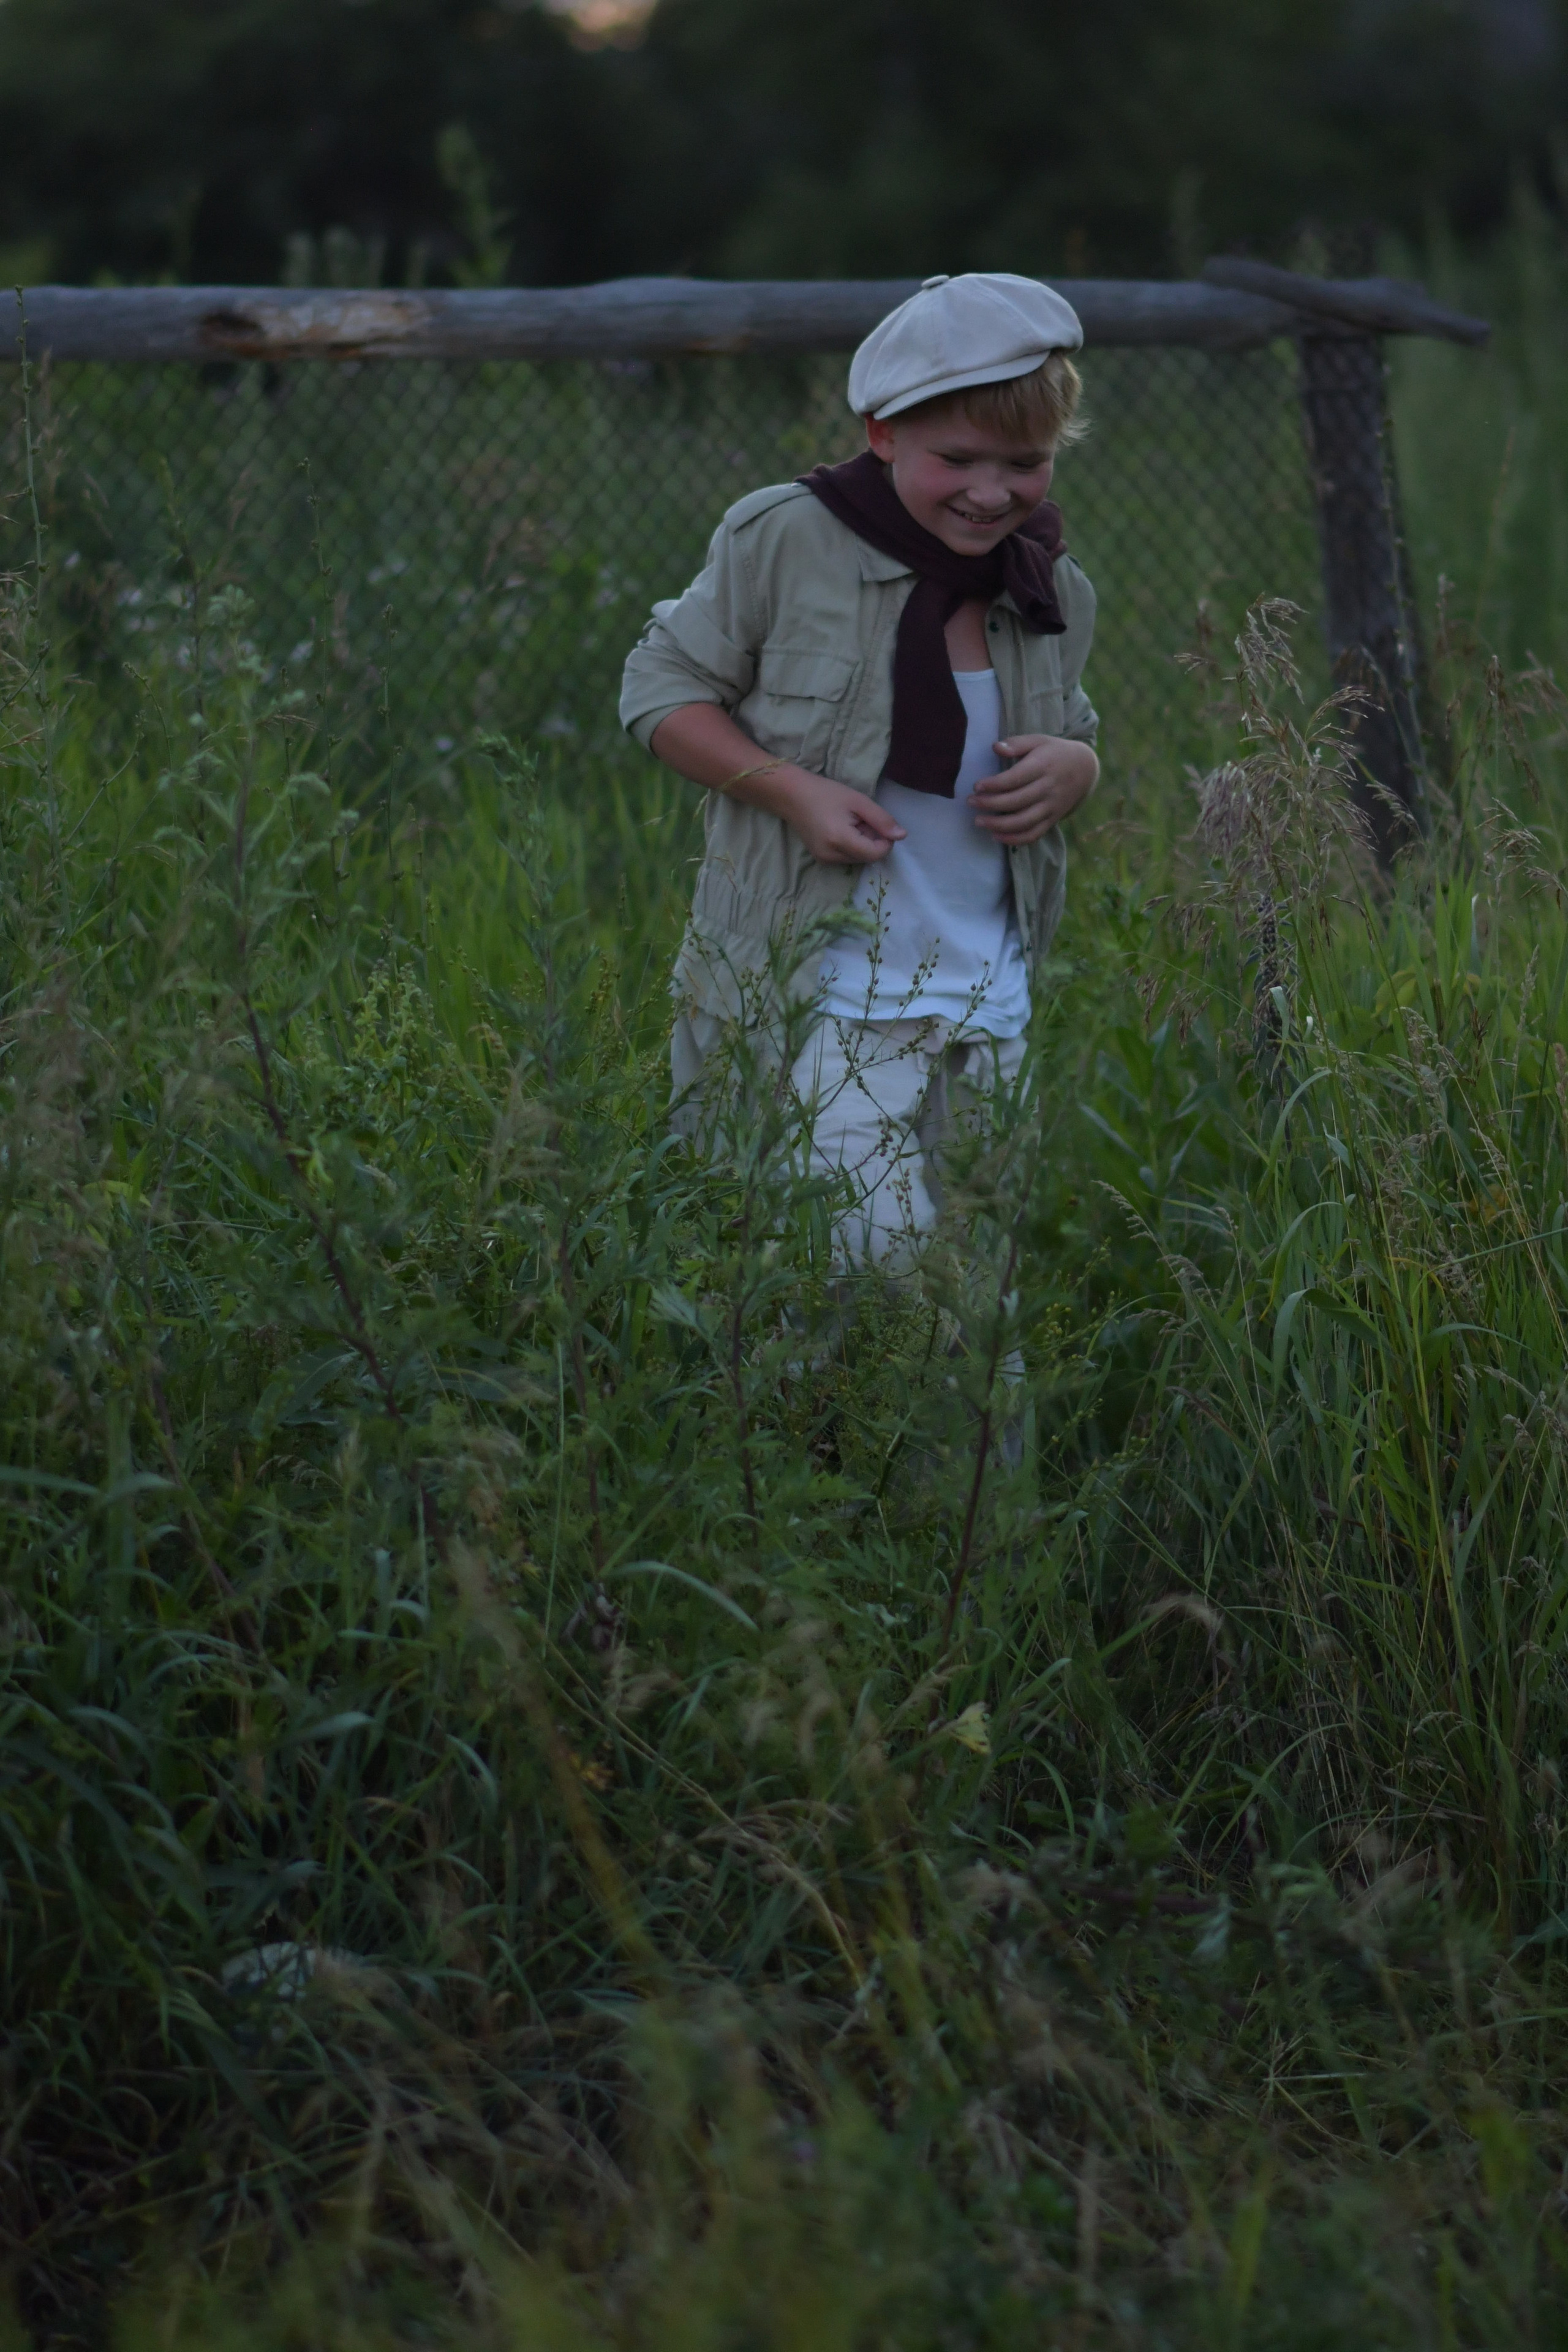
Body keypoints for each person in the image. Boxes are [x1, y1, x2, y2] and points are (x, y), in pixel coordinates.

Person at [619, 271, 1099, 1272]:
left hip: (983, 1004)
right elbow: (661, 695)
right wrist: (786, 789)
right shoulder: (787, 539)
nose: (991, 491)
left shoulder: (1048, 588)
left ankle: (973, 1439)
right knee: (861, 1274)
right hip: (818, 998)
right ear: (883, 434)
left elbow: (1070, 728)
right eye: (956, 457)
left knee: (976, 1295)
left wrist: (1078, 766)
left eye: (1026, 462)